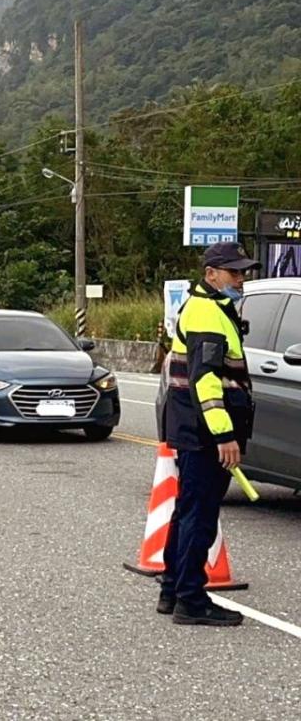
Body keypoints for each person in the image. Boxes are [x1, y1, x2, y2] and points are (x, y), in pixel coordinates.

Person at [159, 241, 259, 626]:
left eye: (243, 271)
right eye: (234, 272)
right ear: (211, 274)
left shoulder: (214, 307)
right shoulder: (205, 313)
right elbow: (206, 381)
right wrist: (224, 435)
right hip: (204, 431)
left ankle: (173, 589)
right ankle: (191, 600)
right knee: (200, 515)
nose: (241, 279)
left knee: (188, 510)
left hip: (193, 427)